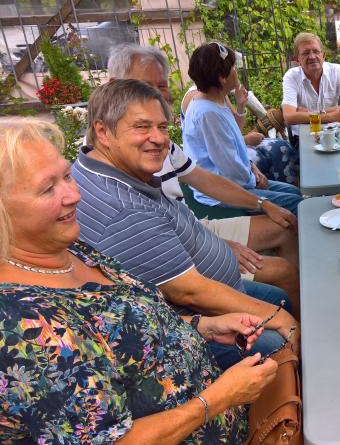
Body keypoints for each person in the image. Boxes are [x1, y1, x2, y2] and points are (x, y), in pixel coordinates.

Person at [0, 117, 278, 442]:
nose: (74, 194)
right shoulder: (20, 328)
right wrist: (219, 398)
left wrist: (204, 326)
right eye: (48, 188)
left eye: (67, 175)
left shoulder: (67, 247)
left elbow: (125, 335)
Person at [73, 79, 299, 369]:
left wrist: (220, 243)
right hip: (190, 324)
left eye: (163, 127)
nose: (158, 138)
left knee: (280, 296)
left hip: (207, 288)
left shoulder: (115, 170)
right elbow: (189, 291)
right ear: (102, 132)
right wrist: (281, 320)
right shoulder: (124, 209)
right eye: (142, 127)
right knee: (280, 338)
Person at [107, 43, 298, 294]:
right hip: (187, 249)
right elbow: (159, 253)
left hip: (195, 229)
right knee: (288, 249)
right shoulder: (111, 172)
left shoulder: (163, 143)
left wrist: (263, 203)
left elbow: (206, 178)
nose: (155, 97)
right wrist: (219, 245)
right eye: (143, 86)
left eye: (161, 86)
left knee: (288, 219)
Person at [182, 42, 303, 215]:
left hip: (237, 183)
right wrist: (254, 180)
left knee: (295, 193)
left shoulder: (216, 101)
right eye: (233, 67)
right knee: (298, 205)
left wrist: (253, 168)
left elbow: (234, 146)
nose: (236, 71)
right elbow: (229, 166)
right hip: (223, 194)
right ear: (221, 78)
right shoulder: (208, 113)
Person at [181, 84, 300, 185]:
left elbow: (236, 127)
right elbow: (216, 146)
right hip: (215, 163)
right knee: (269, 153)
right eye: (233, 67)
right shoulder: (199, 101)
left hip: (234, 145)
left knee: (280, 145)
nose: (236, 71)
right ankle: (267, 193)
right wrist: (245, 140)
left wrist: (241, 105)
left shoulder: (218, 92)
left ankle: (284, 189)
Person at [281, 32, 340, 138]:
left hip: (333, 134)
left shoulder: (336, 70)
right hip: (303, 137)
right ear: (297, 59)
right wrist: (331, 116)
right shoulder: (291, 76)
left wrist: (309, 112)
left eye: (316, 51)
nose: (312, 56)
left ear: (323, 55)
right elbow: (289, 117)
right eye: (306, 53)